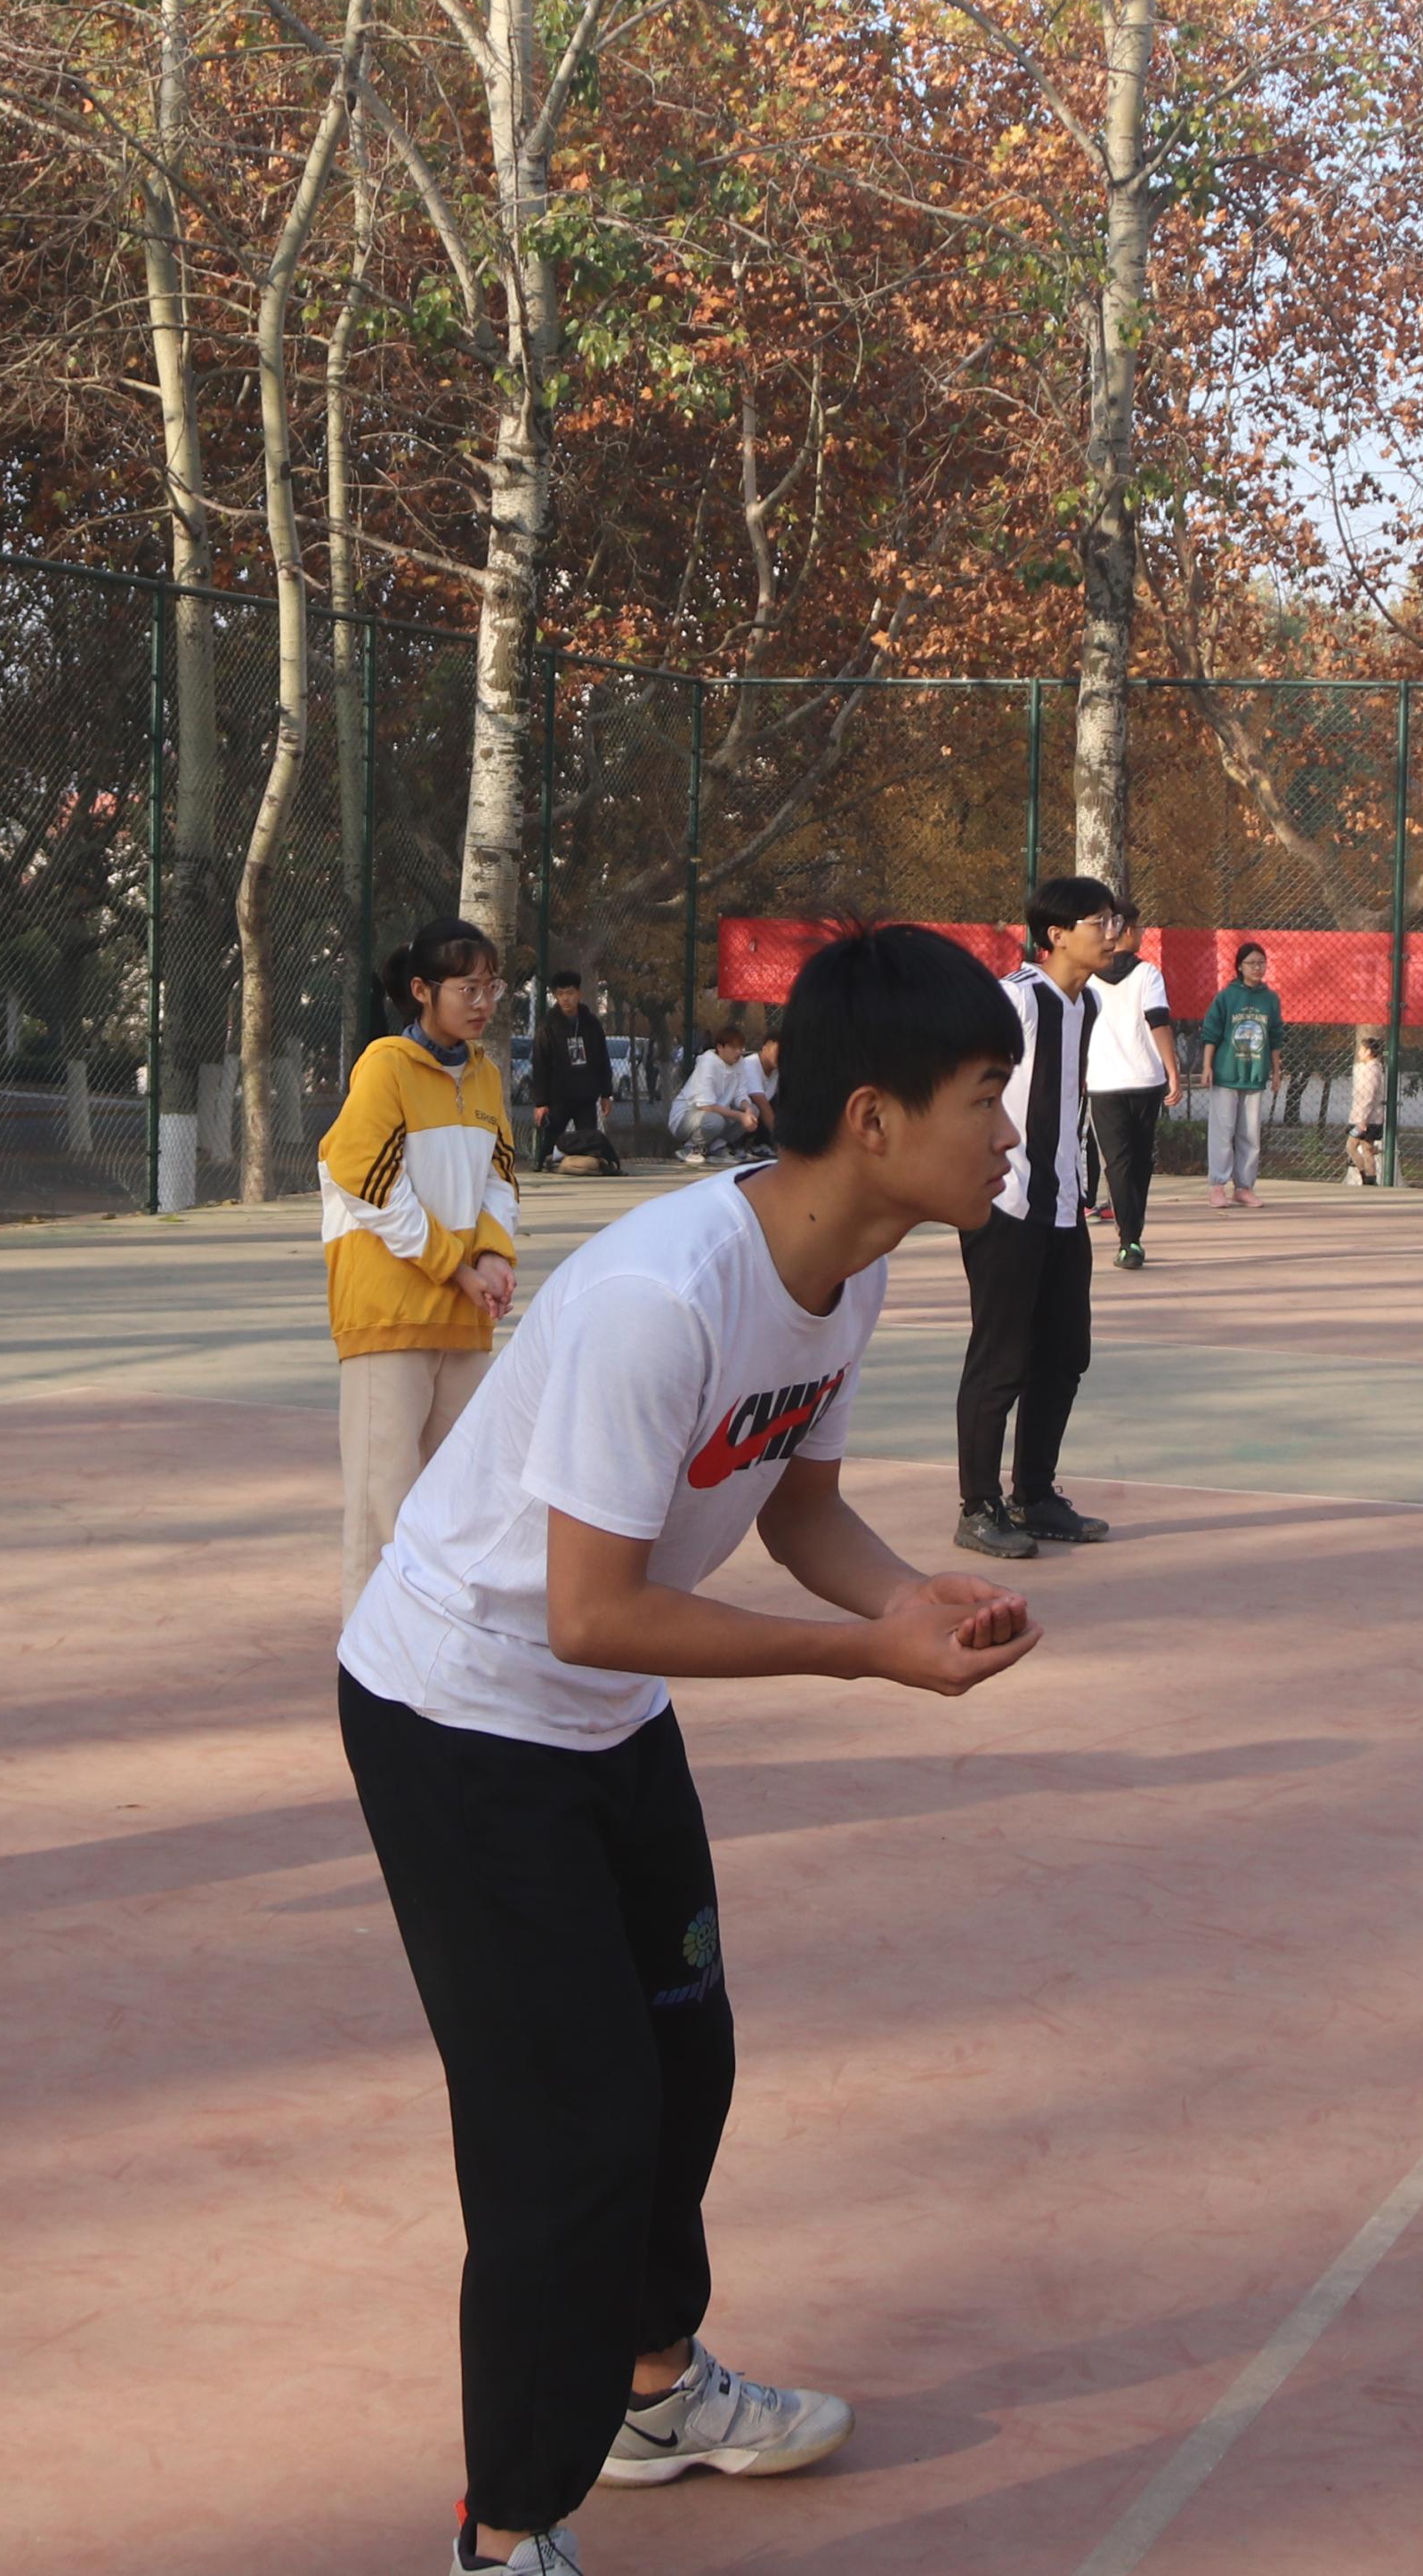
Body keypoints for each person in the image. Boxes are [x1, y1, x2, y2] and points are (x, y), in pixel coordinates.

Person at [334, 922, 1046, 2576]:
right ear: (873, 1120)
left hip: (601, 1716)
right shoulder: (662, 1297)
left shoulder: (848, 1272)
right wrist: (864, 1658)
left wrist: (907, 1597)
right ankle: (509, 2526)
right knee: (566, 2133)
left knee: (683, 2066)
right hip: (460, 1714)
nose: (1008, 1131)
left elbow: (799, 1512)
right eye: (983, 1095)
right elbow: (592, 1610)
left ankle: (650, 2394)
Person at [324, 920, 526, 1610]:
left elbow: (501, 1175)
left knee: (457, 1503)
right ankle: (367, 1656)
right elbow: (365, 1178)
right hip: (389, 1316)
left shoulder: (486, 1075)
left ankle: (434, 1648)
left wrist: (493, 1254)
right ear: (422, 990)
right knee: (383, 1507)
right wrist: (456, 1266)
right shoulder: (385, 1067)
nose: (483, 1002)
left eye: (491, 986)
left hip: (461, 1319)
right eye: (468, 987)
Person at [959, 878, 1126, 1559]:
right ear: (1055, 934)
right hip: (1006, 1205)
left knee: (1064, 1353)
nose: (1113, 933)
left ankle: (1035, 1494)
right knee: (1002, 1358)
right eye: (1099, 921)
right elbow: (963, 1083)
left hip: (1063, 1209)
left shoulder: (1088, 1002)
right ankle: (978, 1506)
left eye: (1114, 920)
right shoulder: (1015, 999)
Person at [1083, 910, 1185, 1268]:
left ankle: (1129, 1239)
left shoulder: (1086, 976)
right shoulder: (1147, 974)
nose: (1141, 934)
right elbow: (1158, 1020)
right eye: (1138, 928)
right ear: (1126, 930)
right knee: (1140, 1159)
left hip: (1103, 1082)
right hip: (1145, 1079)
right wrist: (1172, 1069)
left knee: (1118, 1163)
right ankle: (1132, 1235)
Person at [1194, 942, 1285, 1209]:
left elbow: (1275, 1037)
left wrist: (1276, 1071)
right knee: (1222, 1132)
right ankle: (1217, 1186)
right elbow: (1211, 1033)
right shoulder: (1226, 997)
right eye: (1252, 963)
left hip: (1254, 1074)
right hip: (1226, 1074)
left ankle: (1244, 1187)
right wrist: (1207, 1067)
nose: (1257, 968)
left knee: (1250, 1134)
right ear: (1239, 967)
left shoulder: (1270, 999)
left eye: (1261, 963)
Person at [530, 973, 619, 1174]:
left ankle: (587, 1166)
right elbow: (540, 1064)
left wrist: (606, 1093)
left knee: (588, 1139)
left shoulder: (591, 1024)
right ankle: (542, 1163)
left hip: (586, 1095)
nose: (565, 999)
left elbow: (602, 1059)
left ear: (579, 994)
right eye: (560, 994)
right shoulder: (548, 1026)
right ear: (555, 996)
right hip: (558, 1097)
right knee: (551, 1137)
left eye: (570, 993)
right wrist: (541, 1102)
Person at [674, 1024, 766, 1165]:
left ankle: (717, 1148)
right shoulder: (707, 1063)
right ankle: (690, 1148)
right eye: (733, 1047)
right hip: (686, 1117)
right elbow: (706, 1106)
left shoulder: (740, 1063)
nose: (738, 1052)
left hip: (717, 1114)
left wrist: (748, 1109)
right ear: (720, 1047)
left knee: (754, 1110)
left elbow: (740, 1094)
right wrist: (741, 1116)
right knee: (715, 1120)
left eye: (740, 1047)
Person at [1343, 1033, 1391, 1188]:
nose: (1359, 1052)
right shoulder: (1372, 1069)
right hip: (1371, 1117)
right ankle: (1371, 1178)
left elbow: (1367, 1096)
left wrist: (1362, 1120)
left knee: (1351, 1146)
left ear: (1369, 1052)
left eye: (1362, 1050)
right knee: (1367, 1148)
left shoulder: (1371, 1070)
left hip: (1365, 1119)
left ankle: (1365, 1175)